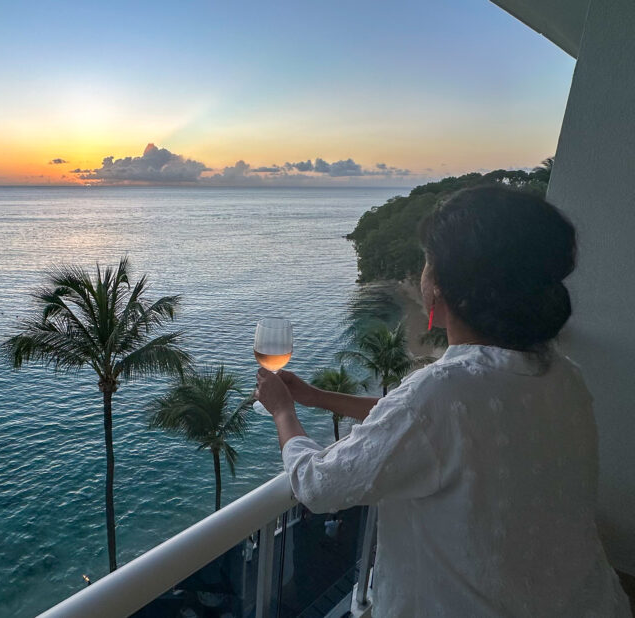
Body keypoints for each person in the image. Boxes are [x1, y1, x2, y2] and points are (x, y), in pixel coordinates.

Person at [256, 186, 632, 617]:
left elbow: (317, 485)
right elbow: (425, 425)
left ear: (445, 288)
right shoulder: (562, 373)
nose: (423, 272)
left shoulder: (440, 392)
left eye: (427, 261)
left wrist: (283, 411)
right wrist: (316, 397)